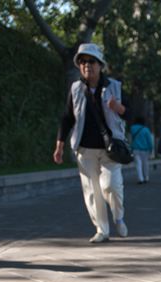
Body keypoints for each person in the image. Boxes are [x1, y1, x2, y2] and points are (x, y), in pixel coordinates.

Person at [54, 43, 130, 243]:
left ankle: (119, 217)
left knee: (111, 185)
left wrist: (117, 107)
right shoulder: (76, 88)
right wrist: (60, 144)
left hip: (111, 147)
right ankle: (101, 230)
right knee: (91, 191)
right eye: (83, 61)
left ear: (100, 65)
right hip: (84, 147)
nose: (87, 65)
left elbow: (131, 113)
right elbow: (67, 117)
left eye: (91, 61)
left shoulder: (115, 86)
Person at [130, 116, 153, 184]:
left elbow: (130, 138)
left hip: (135, 148)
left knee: (138, 164)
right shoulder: (146, 129)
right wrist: (151, 148)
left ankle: (140, 179)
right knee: (145, 164)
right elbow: (149, 140)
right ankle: (146, 177)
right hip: (145, 149)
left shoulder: (132, 128)